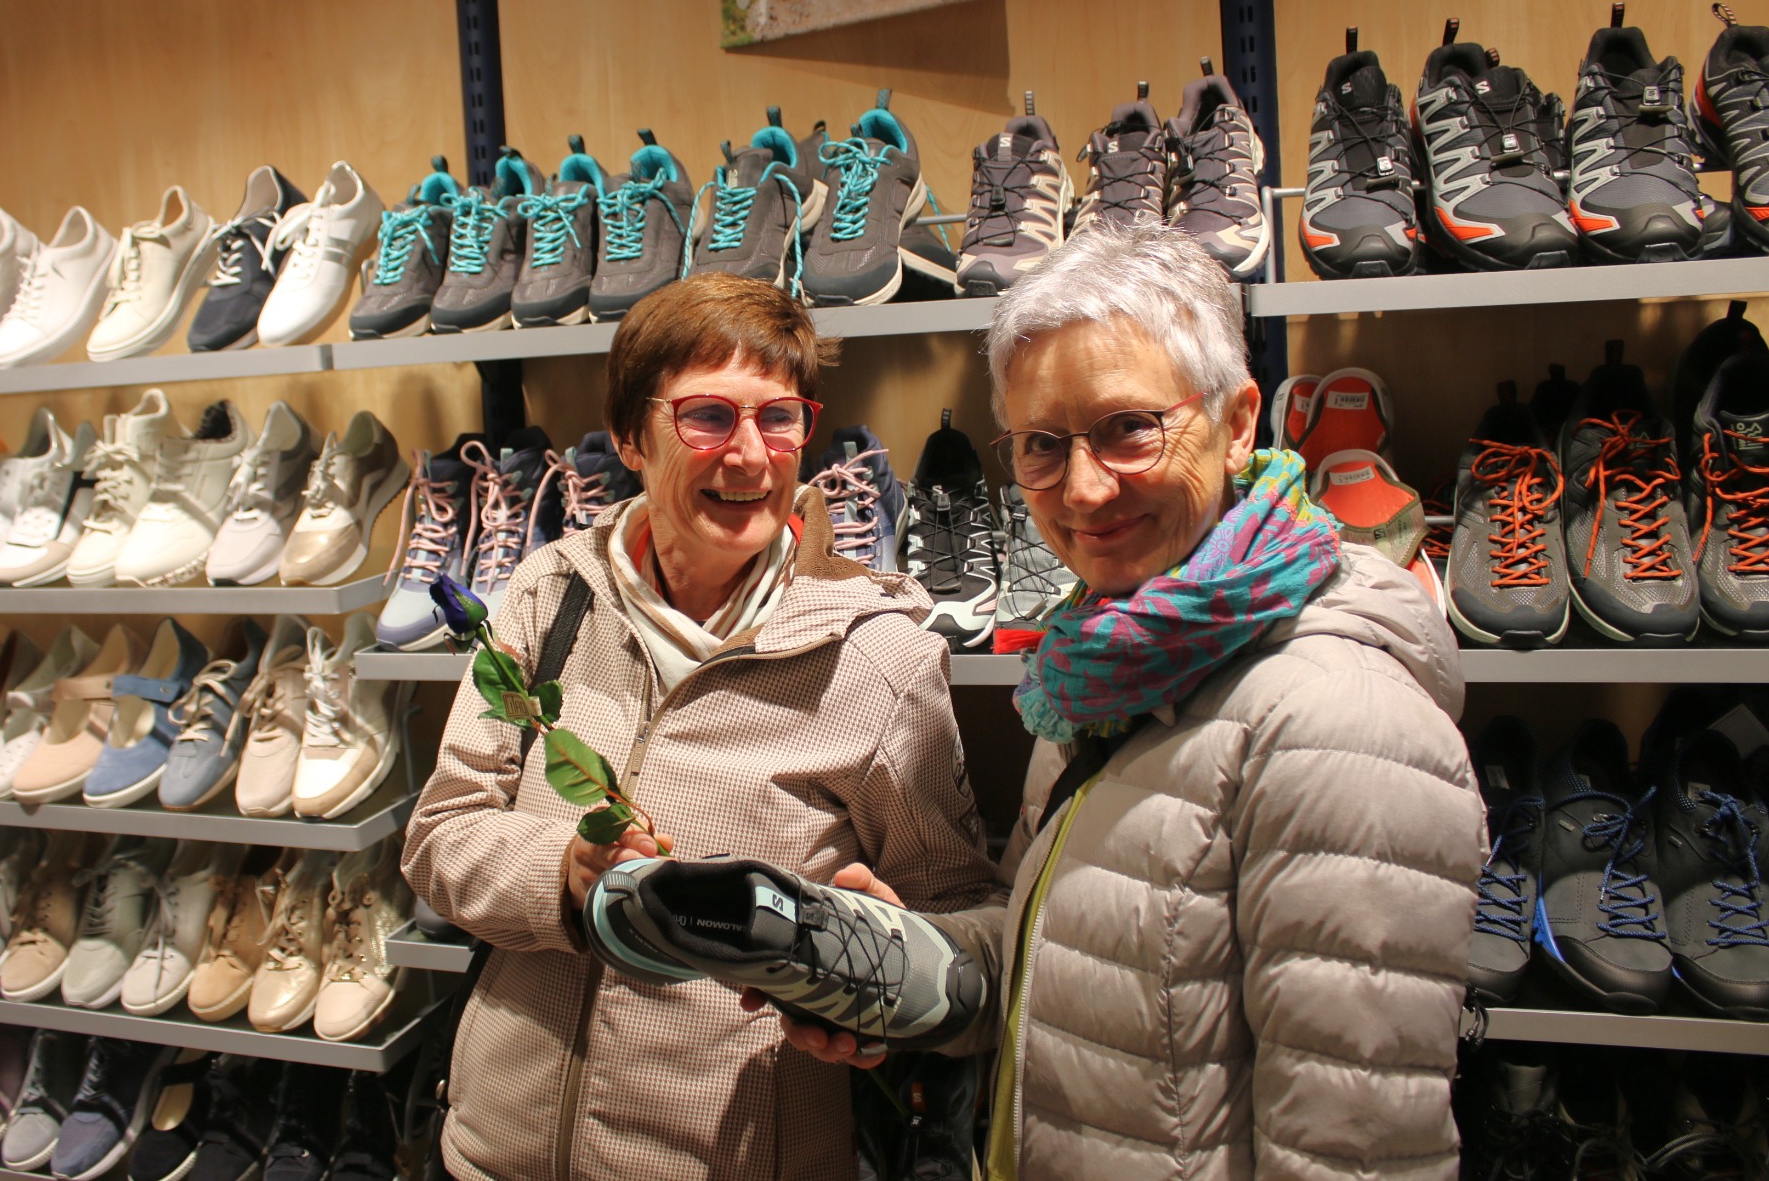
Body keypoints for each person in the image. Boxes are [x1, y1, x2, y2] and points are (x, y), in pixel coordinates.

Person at [781, 223, 1487, 1179]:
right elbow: (1068, 961)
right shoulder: (1109, 660)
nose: (1082, 488)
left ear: (1238, 423)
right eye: (1041, 445)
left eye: (1127, 428)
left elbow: (1357, 1157)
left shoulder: (1336, 724)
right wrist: (899, 964)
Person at [400, 271, 996, 1181]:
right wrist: (562, 876)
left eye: (780, 417)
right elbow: (439, 834)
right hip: (491, 1153)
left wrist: (883, 977)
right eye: (708, 417)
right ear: (634, 439)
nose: (752, 456)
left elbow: (963, 932)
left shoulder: (878, 660)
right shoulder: (550, 592)